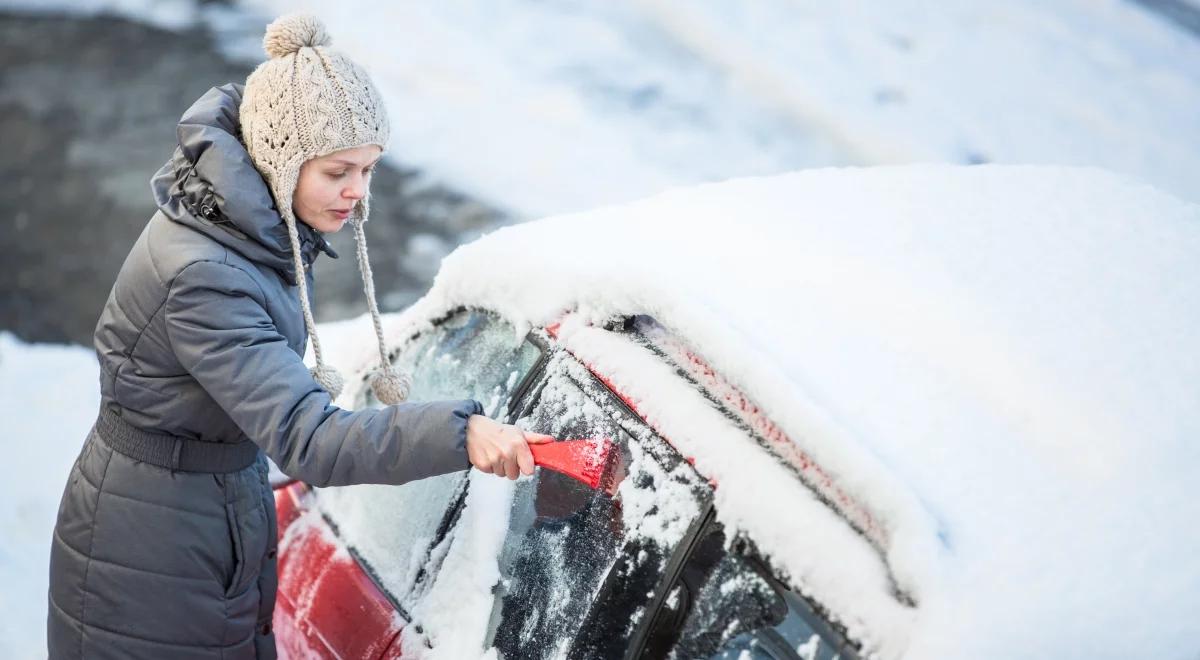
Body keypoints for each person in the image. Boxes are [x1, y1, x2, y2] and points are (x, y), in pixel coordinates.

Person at [46, 13, 546, 659]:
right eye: (338, 171)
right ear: (280, 161)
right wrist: (462, 432)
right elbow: (310, 439)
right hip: (152, 558)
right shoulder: (207, 275)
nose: (357, 194)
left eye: (369, 170)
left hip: (195, 512)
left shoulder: (242, 225)